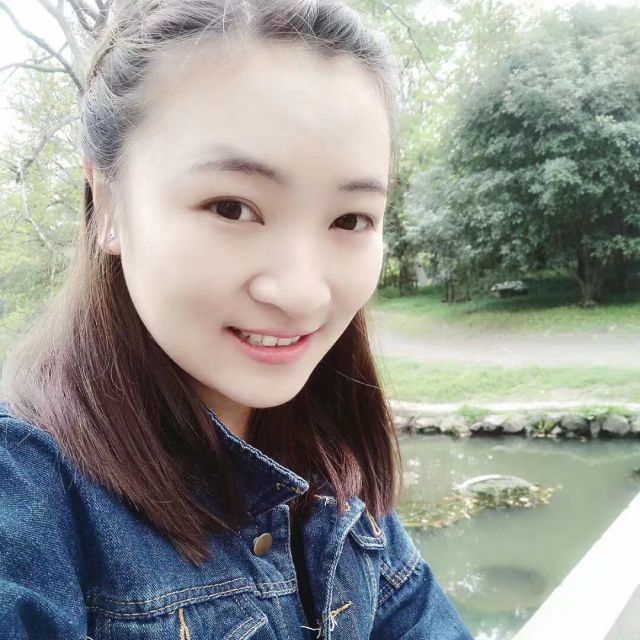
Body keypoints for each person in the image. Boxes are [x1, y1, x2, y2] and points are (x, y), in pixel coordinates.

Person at [0, 1, 474, 638]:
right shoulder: (25, 494)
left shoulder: (332, 464)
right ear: (108, 202)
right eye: (231, 207)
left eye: (350, 219)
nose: (301, 294)